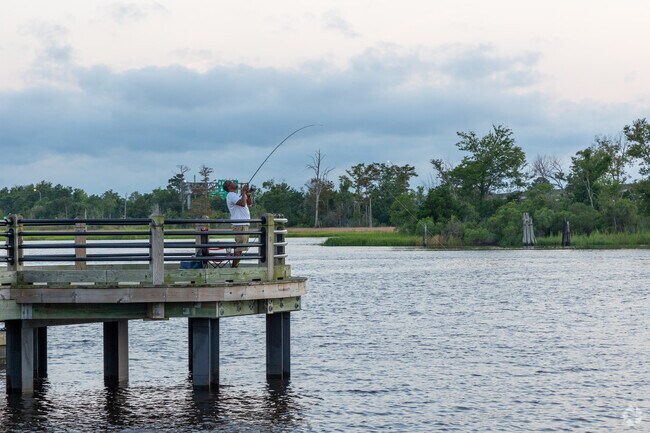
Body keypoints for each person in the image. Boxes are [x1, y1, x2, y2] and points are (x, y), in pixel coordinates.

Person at [223, 180, 252, 267]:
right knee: (239, 249)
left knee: (241, 249)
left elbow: (249, 203)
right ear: (229, 187)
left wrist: (248, 195)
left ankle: (235, 267)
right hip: (239, 225)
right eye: (231, 182)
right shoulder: (230, 195)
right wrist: (243, 192)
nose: (233, 182)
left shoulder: (236, 195)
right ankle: (234, 269)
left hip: (244, 224)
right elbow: (243, 204)